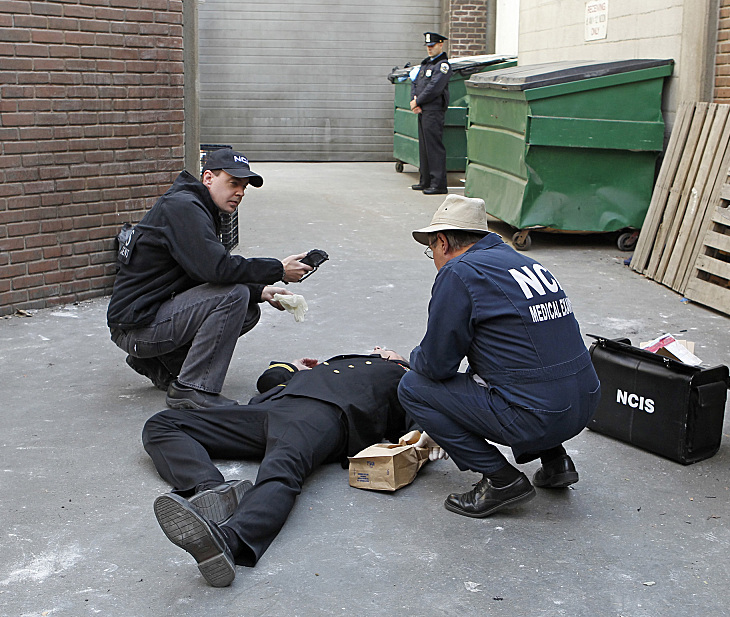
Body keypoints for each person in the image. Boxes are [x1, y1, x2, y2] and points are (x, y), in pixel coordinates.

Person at [142, 347, 445, 587]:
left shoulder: (402, 378)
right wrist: (291, 368)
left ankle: (229, 542)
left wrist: (427, 441)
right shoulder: (329, 364)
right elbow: (267, 382)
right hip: (268, 409)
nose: (378, 349)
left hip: (321, 414)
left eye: (387, 350)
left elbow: (416, 430)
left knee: (281, 468)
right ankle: (211, 489)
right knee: (164, 423)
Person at [397, 195, 601, 518]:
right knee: (523, 366)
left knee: (412, 387)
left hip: (540, 414)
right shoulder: (520, 262)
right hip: (585, 402)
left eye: (431, 250)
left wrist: (411, 358)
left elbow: (437, 365)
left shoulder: (458, 273)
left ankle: (501, 479)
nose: (433, 257)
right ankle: (555, 461)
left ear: (443, 242)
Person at [107, 148, 313, 410]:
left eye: (244, 187)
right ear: (208, 178)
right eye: (233, 183)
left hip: (145, 321)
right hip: (137, 328)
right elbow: (216, 269)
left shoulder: (197, 206)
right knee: (234, 295)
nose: (239, 192)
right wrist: (278, 269)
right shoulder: (184, 208)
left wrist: (262, 291)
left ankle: (159, 362)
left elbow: (199, 272)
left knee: (247, 309)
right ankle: (193, 388)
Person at [410, 31, 451, 195]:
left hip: (433, 110)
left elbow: (434, 88)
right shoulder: (426, 64)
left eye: (432, 46)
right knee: (424, 147)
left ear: (441, 44)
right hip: (423, 109)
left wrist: (418, 101)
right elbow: (416, 83)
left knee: (434, 147)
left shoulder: (443, 66)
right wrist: (414, 101)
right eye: (427, 46)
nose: (429, 49)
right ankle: (425, 180)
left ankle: (438, 184)